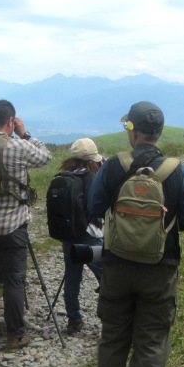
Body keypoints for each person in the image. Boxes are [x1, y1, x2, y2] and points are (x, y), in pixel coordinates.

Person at [87, 101, 184, 367]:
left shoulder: (113, 166)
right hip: (160, 269)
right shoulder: (177, 170)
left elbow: (93, 207)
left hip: (116, 266)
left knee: (113, 335)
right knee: (151, 340)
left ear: (132, 131)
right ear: (159, 133)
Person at [0, 100, 52, 352]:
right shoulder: (18, 146)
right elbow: (45, 157)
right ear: (10, 122)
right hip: (12, 224)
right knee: (14, 280)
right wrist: (24, 133)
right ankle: (15, 335)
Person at [57, 138, 105, 335]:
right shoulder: (93, 178)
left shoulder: (63, 175)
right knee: (106, 276)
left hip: (68, 236)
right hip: (90, 236)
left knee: (72, 277)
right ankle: (110, 319)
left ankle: (73, 319)